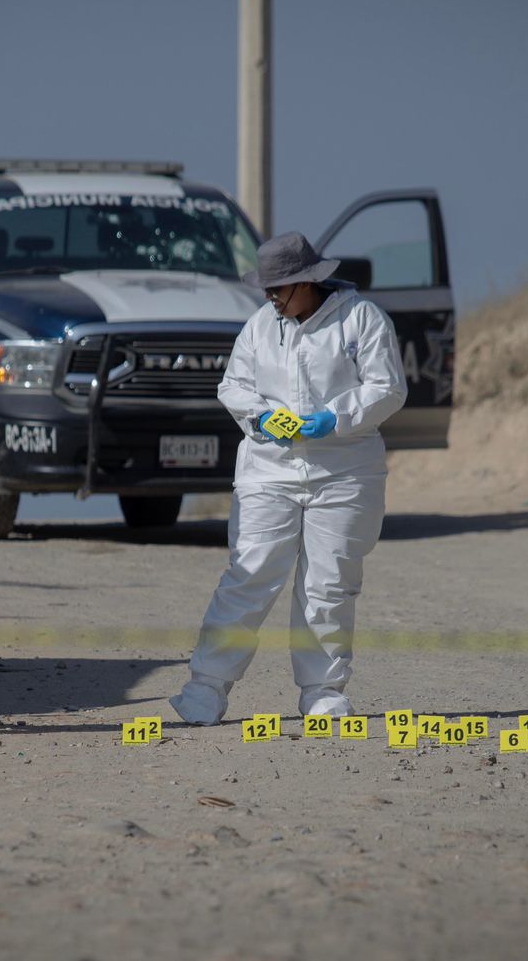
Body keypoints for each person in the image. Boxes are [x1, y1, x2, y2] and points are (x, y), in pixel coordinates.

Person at [171, 231, 407, 724]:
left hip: (345, 472)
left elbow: (388, 388)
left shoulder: (361, 318)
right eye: (267, 289)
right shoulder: (260, 326)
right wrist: (260, 418)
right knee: (248, 576)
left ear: (308, 281)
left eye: (279, 288)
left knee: (328, 585)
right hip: (268, 471)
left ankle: (322, 692)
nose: (272, 298)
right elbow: (233, 386)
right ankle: (206, 689)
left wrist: (334, 418)